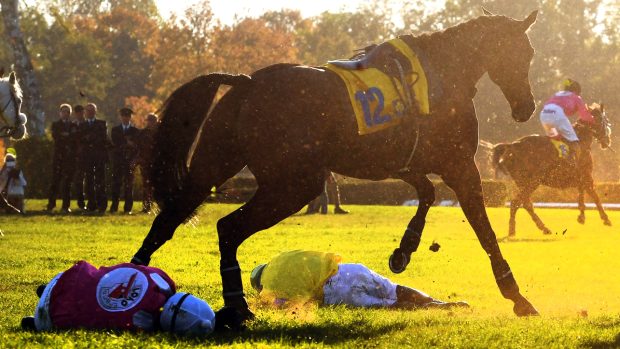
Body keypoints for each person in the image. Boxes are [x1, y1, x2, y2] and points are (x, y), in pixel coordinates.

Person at [21, 261, 243, 335]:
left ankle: (45, 290)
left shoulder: (161, 279)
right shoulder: (144, 322)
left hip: (67, 278)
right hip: (52, 316)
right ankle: (35, 319)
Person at [250, 250, 468, 309]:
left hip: (336, 293)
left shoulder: (268, 288)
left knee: (388, 305)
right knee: (394, 289)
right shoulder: (281, 257)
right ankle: (437, 303)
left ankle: (418, 309)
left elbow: (286, 307)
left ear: (259, 282)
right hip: (349, 270)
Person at [539, 78, 594, 166]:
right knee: (573, 141)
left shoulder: (558, 95)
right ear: (576, 91)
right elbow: (585, 116)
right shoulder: (576, 97)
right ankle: (569, 162)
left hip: (544, 115)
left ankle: (559, 159)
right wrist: (593, 120)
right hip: (557, 115)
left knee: (557, 138)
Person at [47, 104, 78, 213]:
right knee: (55, 181)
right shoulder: (55, 125)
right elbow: (56, 137)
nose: (65, 114)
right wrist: (66, 136)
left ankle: (66, 206)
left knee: (67, 182)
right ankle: (51, 204)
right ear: (60, 113)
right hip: (58, 156)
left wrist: (65, 136)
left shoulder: (73, 125)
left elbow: (74, 139)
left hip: (69, 157)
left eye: (67, 112)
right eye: (63, 111)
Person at [80, 103, 108, 213]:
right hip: (87, 157)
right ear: (85, 112)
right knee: (89, 181)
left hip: (99, 156)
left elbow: (102, 138)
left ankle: (102, 205)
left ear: (95, 112)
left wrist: (89, 138)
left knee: (101, 181)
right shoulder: (82, 125)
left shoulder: (102, 123)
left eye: (92, 110)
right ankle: (91, 204)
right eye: (88, 110)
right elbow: (81, 139)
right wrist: (91, 138)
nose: (90, 112)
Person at [110, 107, 139, 214]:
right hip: (118, 160)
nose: (126, 118)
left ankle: (128, 208)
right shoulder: (115, 130)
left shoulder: (135, 131)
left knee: (129, 185)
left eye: (128, 116)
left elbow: (136, 147)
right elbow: (115, 143)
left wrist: (133, 159)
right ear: (121, 117)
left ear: (130, 117)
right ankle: (114, 207)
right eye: (124, 116)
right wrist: (127, 143)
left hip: (129, 161)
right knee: (116, 184)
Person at [136, 113, 158, 213]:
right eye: (149, 121)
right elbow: (139, 147)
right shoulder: (142, 133)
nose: (150, 123)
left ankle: (155, 206)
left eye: (152, 121)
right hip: (145, 162)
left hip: (157, 162)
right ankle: (146, 206)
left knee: (156, 185)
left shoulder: (160, 133)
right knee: (146, 184)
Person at [72, 105, 87, 211]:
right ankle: (80, 203)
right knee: (78, 180)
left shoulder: (88, 124)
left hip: (86, 155)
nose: (79, 114)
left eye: (81, 112)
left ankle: (86, 202)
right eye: (77, 112)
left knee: (87, 180)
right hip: (74, 156)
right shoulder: (72, 125)